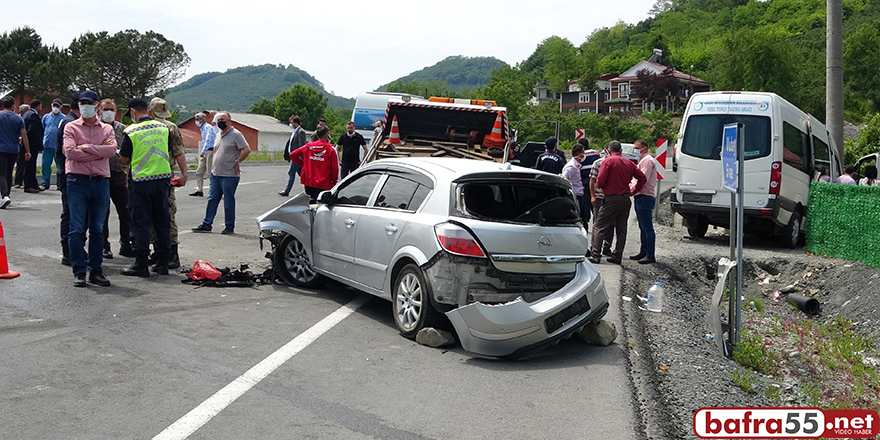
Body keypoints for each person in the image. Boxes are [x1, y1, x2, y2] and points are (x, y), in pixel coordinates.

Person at [61, 90, 117, 287]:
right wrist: (97, 150)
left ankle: (96, 270)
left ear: (96, 105)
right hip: (77, 182)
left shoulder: (107, 129)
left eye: (89, 102)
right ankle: (79, 271)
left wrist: (84, 147)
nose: (85, 106)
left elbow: (111, 151)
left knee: (97, 229)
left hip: (100, 182)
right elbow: (69, 153)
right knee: (76, 229)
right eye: (82, 102)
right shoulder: (70, 127)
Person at [118, 98, 174, 277]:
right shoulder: (164, 128)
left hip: (141, 182)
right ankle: (163, 262)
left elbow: (124, 159)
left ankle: (141, 263)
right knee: (162, 222)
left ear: (133, 111)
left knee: (140, 222)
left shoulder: (131, 131)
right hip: (162, 181)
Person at [588, 140, 646, 265]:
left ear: (608, 150)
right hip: (625, 198)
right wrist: (633, 191)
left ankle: (595, 254)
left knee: (600, 226)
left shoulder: (608, 161)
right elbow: (642, 178)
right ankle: (617, 255)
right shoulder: (628, 162)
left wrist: (605, 188)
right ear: (621, 150)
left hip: (612, 198)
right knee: (621, 229)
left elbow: (600, 180)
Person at [192, 111, 250, 234]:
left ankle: (229, 226)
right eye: (218, 120)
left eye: (222, 120)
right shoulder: (218, 134)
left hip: (229, 175)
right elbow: (216, 151)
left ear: (229, 121)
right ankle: (207, 223)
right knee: (212, 199)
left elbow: (247, 149)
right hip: (216, 174)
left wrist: (237, 161)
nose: (220, 122)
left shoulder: (236, 134)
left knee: (228, 201)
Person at [149, 98, 188, 268]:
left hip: (164, 177)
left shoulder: (171, 128)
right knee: (151, 217)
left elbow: (179, 152)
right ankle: (158, 251)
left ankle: (172, 253)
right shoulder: (145, 127)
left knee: (168, 215)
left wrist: (184, 174)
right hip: (148, 177)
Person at [98, 99, 133, 259]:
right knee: (102, 214)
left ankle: (126, 244)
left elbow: (129, 155)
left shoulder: (123, 129)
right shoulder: (95, 128)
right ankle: (104, 246)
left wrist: (127, 176)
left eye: (112, 109)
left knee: (125, 212)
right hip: (101, 176)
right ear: (99, 110)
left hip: (119, 176)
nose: (109, 112)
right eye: (106, 109)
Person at [56, 92, 82, 265]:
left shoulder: (67, 119)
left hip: (65, 171)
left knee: (72, 214)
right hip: (70, 174)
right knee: (71, 214)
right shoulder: (70, 123)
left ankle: (72, 250)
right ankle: (69, 251)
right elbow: (70, 152)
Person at [290, 126, 339, 202]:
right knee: (321, 204)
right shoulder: (331, 149)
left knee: (310, 202)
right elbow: (335, 168)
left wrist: (303, 164)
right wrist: (334, 181)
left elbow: (292, 155)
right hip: (324, 183)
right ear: (326, 135)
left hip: (309, 181)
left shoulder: (308, 146)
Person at [629, 139, 657, 264]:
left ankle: (650, 254)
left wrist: (633, 191)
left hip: (645, 196)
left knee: (647, 227)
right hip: (641, 196)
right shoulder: (643, 160)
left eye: (637, 147)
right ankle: (644, 251)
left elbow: (642, 179)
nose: (635, 150)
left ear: (644, 148)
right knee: (642, 226)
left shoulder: (647, 161)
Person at [0, 96, 28, 209]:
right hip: (14, 149)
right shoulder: (18, 118)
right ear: (13, 106)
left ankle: (4, 195)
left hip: (1, 149)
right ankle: (7, 195)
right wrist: (27, 150)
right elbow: (24, 134)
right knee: (9, 172)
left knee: (1, 173)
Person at [589, 143, 614, 257]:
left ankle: (607, 247)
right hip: (599, 197)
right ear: (605, 150)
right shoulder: (598, 163)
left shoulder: (616, 163)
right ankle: (594, 246)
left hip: (610, 197)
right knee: (597, 223)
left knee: (611, 224)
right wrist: (593, 195)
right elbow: (592, 180)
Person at [562, 143, 589, 227]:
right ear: (580, 155)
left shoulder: (576, 166)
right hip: (575, 196)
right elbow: (564, 179)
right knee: (581, 220)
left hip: (579, 195)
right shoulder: (571, 167)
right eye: (583, 153)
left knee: (584, 218)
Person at [19, 99, 44, 193]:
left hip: (28, 144)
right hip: (32, 144)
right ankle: (28, 185)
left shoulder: (26, 114)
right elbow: (31, 131)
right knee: (30, 166)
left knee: (32, 165)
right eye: (40, 106)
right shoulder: (33, 116)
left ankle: (34, 184)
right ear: (37, 106)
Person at [40, 98, 65, 190]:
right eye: (54, 105)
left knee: (60, 165)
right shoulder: (46, 117)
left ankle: (60, 183)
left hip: (58, 146)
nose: (55, 107)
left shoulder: (63, 118)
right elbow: (42, 129)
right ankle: (45, 183)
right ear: (51, 105)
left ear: (61, 107)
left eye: (57, 106)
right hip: (47, 145)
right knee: (45, 164)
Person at [279, 115, 306, 196]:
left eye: (291, 122)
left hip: (296, 157)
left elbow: (301, 145)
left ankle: (287, 191)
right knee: (302, 174)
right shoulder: (294, 132)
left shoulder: (300, 131)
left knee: (291, 173)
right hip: (292, 157)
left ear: (296, 123)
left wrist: (300, 156)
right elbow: (290, 144)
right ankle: (309, 188)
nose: (290, 124)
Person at [190, 111, 215, 197]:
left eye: (198, 119)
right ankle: (199, 189)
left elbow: (208, 140)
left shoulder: (208, 127)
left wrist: (203, 151)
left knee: (209, 172)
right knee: (199, 171)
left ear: (203, 119)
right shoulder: (202, 128)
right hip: (205, 151)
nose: (196, 121)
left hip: (209, 151)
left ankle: (214, 190)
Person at [578, 138, 600, 225]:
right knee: (596, 204)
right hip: (596, 181)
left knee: (586, 203)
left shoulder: (581, 155)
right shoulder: (596, 153)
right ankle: (597, 223)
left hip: (585, 181)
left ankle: (585, 221)